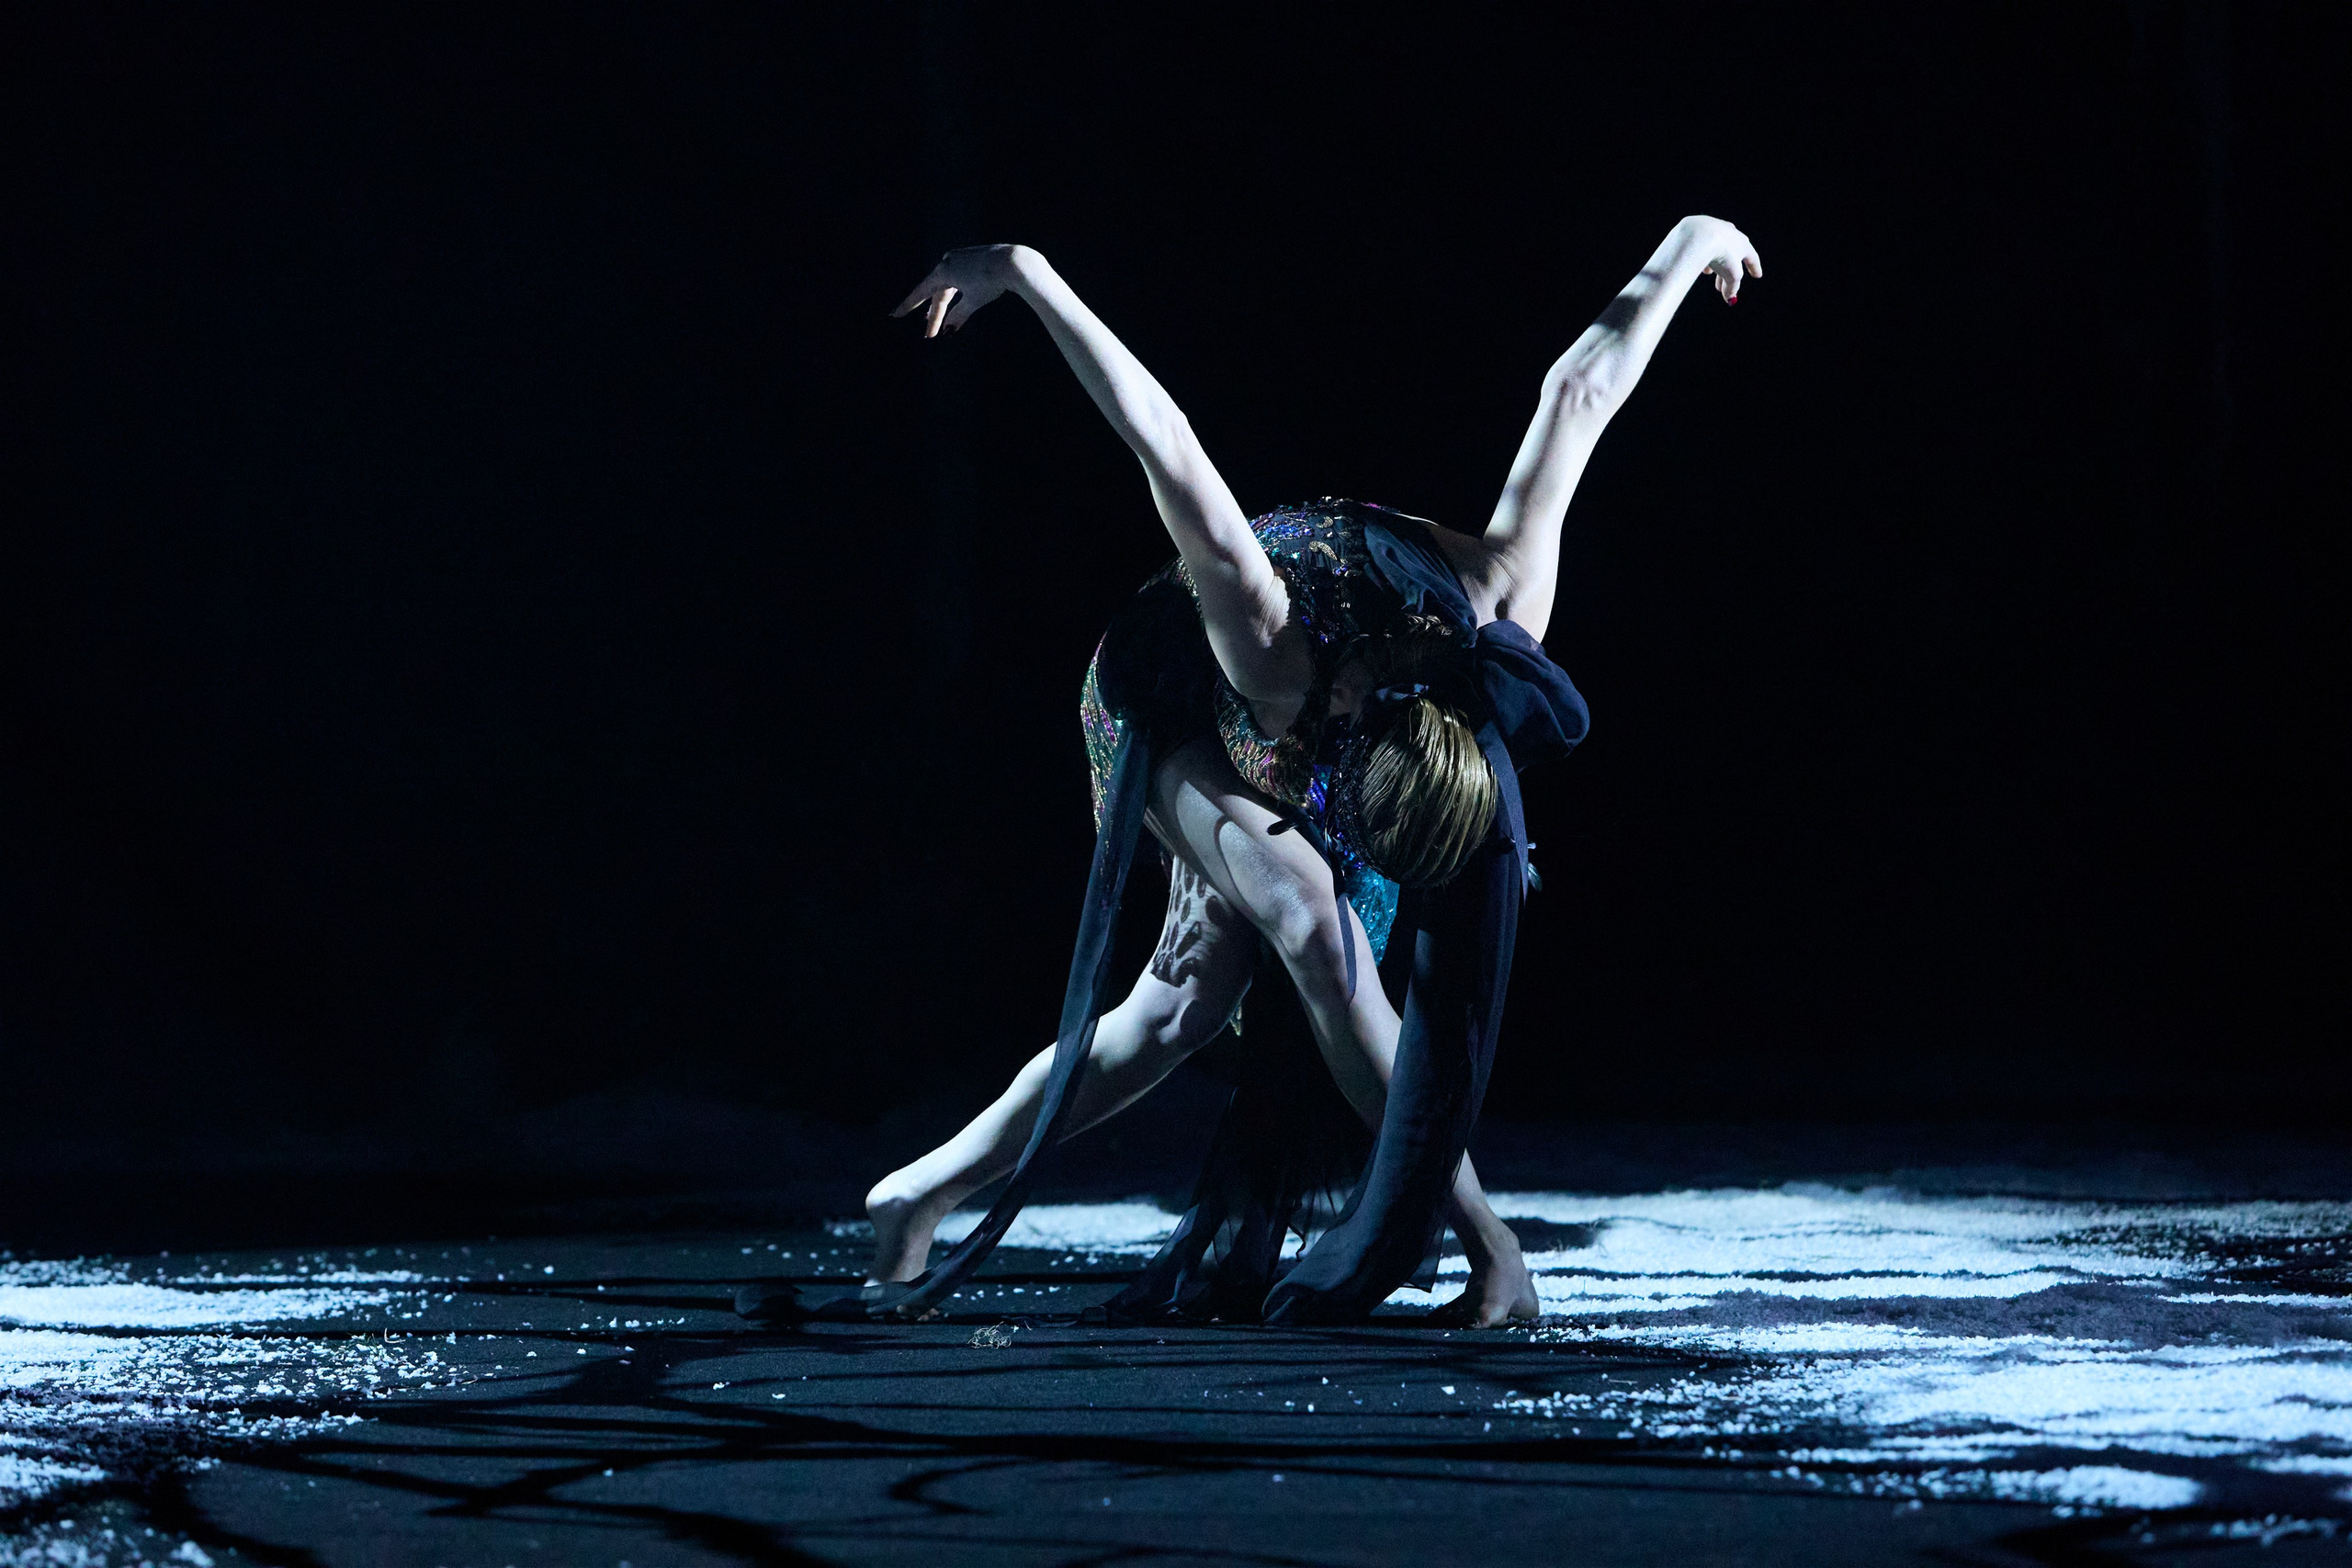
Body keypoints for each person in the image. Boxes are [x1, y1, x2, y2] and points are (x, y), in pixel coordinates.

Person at [842, 217, 1759, 1327]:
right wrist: (1029, 280)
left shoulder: (1507, 609)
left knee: (1182, 1008)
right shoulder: (1266, 638)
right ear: (1339, 729)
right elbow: (1166, 443)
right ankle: (1493, 1245)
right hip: (1170, 688)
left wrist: (1682, 257)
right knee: (1307, 918)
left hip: (1343, 713)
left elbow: (1580, 398)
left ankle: (914, 1193)